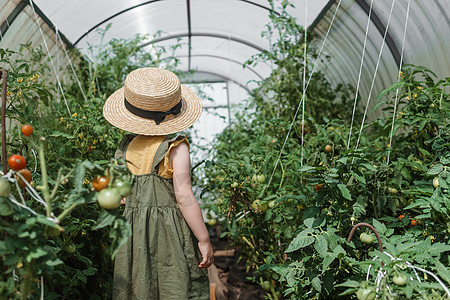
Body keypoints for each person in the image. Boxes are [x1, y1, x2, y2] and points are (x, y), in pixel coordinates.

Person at [103, 67, 213, 299]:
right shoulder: (175, 147)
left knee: (138, 285)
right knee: (176, 282)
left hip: (133, 233)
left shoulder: (125, 147)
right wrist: (203, 239)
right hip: (169, 231)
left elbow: (121, 197)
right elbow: (184, 196)